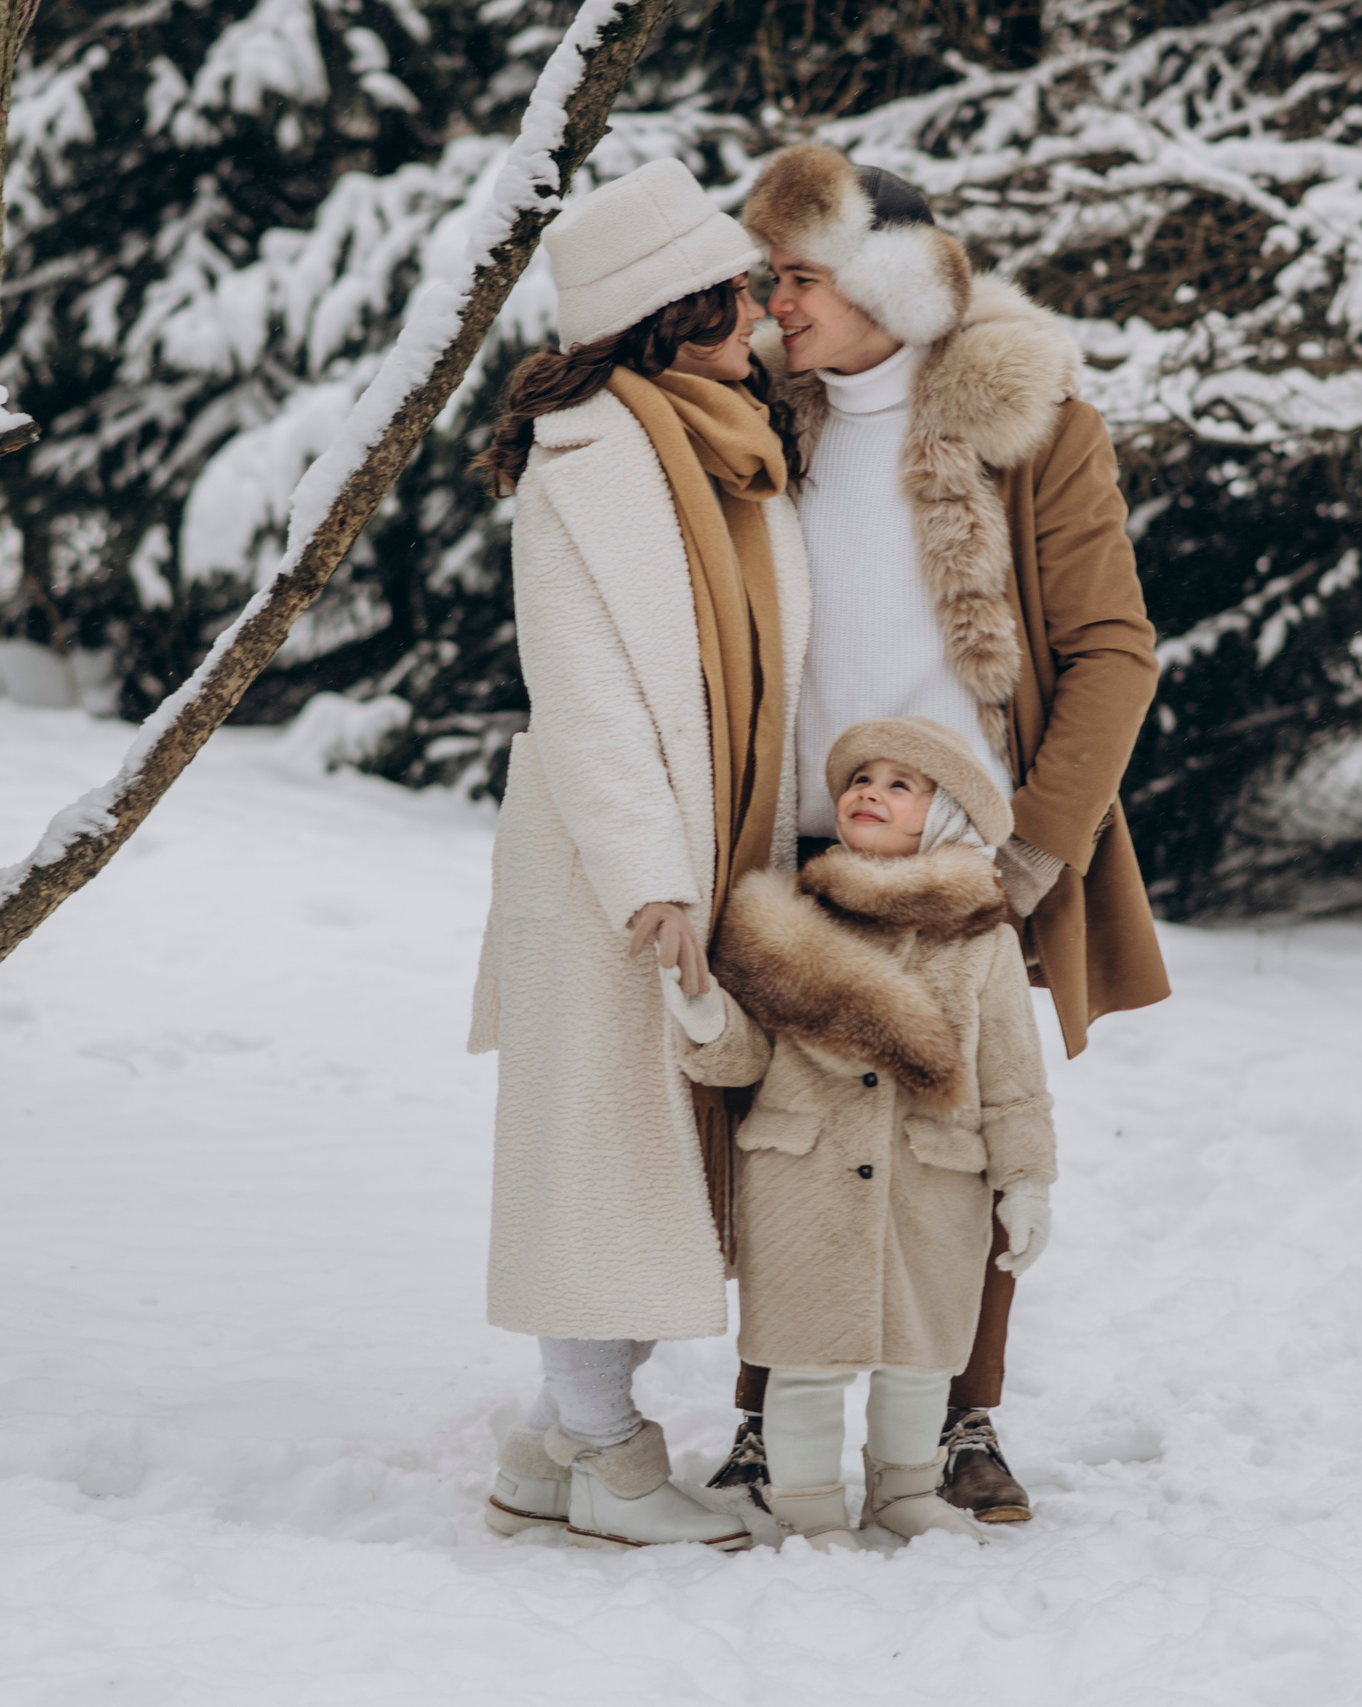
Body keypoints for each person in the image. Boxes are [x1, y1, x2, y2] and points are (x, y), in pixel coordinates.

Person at [706, 144, 1171, 1523]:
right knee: (782, 1133)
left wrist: (1031, 852)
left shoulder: (1032, 427)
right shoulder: (757, 421)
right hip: (794, 846)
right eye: (770, 276)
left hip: (968, 853)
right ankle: (767, 1418)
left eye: (800, 275)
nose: (775, 302)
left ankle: (963, 1414)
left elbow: (1114, 650)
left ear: (892, 284)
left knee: (957, 1128)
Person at [465, 158, 812, 1550]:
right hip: (615, 870)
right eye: (734, 293)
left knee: (661, 1159)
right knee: (605, 1162)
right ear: (669, 312)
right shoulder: (587, 464)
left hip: (723, 845)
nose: (760, 313)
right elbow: (585, 694)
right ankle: (608, 1456)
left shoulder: (741, 445)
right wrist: (652, 881)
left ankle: (551, 1448)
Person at [669, 717, 1056, 1550]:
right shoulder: (780, 921)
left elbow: (1014, 1076)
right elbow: (746, 1060)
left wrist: (1027, 1181)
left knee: (921, 1359)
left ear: (944, 814)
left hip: (934, 1180)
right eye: (857, 779)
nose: (868, 792)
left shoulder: (983, 939)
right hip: (801, 1175)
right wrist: (705, 1018)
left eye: (899, 783)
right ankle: (806, 1504)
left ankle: (905, 1489)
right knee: (803, 1360)